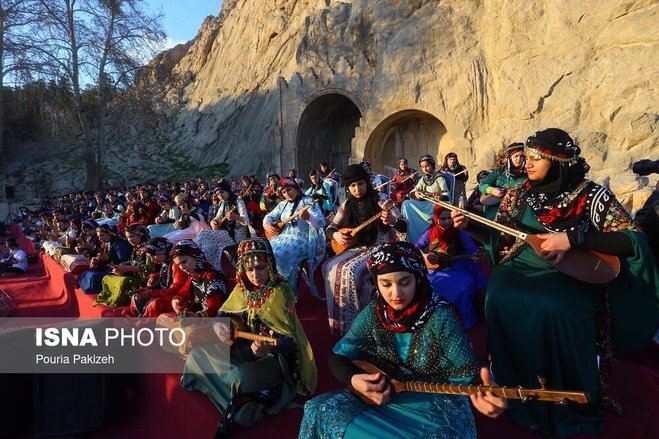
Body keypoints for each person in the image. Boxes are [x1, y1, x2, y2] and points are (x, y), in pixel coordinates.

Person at [452, 128, 659, 435]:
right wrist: (470, 225)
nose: (528, 163)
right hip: (521, 266)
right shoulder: (518, 194)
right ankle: (515, 392)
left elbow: (631, 240)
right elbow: (501, 239)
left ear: (559, 161)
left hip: (573, 271)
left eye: (538, 157)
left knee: (552, 306)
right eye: (528, 156)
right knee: (497, 296)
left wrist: (574, 239)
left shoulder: (590, 194)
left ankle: (565, 399)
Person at [300, 241, 506, 438]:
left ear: (419, 278)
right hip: (381, 395)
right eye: (385, 284)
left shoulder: (441, 316)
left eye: (404, 282)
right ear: (376, 283)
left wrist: (487, 392)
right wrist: (353, 379)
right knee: (317, 410)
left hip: (433, 403)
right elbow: (337, 356)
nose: (395, 293)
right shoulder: (375, 312)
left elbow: (470, 374)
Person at [181, 238, 317, 437]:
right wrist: (220, 325)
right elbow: (223, 313)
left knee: (240, 377)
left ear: (270, 264)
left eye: (260, 268)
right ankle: (236, 397)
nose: (255, 275)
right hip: (244, 347)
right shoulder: (242, 288)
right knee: (198, 354)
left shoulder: (280, 291)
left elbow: (289, 344)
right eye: (249, 269)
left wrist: (269, 347)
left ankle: (236, 396)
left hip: (274, 359)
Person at [323, 164, 407, 334]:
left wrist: (392, 221)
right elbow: (331, 228)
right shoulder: (346, 204)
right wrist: (336, 236)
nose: (357, 189)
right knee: (329, 266)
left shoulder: (382, 199)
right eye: (352, 186)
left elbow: (403, 225)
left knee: (351, 270)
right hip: (355, 249)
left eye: (360, 184)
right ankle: (342, 326)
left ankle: (362, 325)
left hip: (379, 248)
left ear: (367, 183)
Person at [415, 206, 486, 328]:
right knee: (425, 285)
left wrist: (475, 257)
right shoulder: (430, 232)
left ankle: (466, 319)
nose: (447, 222)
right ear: (436, 219)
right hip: (435, 270)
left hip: (458, 267)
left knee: (464, 287)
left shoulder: (460, 231)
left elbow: (472, 250)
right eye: (443, 219)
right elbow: (416, 247)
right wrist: (426, 257)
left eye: (449, 218)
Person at [264, 177, 325, 298]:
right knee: (265, 251)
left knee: (281, 254)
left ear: (296, 188)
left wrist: (308, 217)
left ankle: (288, 294)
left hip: (303, 239)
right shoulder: (283, 204)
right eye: (284, 192)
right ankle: (270, 288)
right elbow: (269, 216)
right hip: (283, 237)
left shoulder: (308, 201)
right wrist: (267, 224)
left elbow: (321, 222)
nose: (287, 193)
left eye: (289, 189)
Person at [126, 237, 190, 318]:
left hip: (179, 298)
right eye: (150, 257)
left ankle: (144, 323)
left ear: (162, 251)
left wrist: (151, 293)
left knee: (155, 304)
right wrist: (154, 276)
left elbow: (176, 290)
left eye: (153, 255)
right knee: (136, 296)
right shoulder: (166, 262)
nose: (152, 260)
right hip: (167, 292)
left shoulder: (176, 265)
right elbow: (166, 273)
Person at [94, 224, 155, 307]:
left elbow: (150, 268)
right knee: (107, 277)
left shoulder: (150, 248)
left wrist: (127, 268)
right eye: (128, 237)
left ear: (141, 234)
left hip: (146, 280)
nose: (129, 240)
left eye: (132, 236)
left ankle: (119, 301)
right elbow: (133, 261)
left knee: (124, 282)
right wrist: (120, 267)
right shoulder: (137, 247)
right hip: (134, 275)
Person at [197, 179, 249, 270]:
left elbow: (246, 221)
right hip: (227, 233)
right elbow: (218, 217)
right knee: (204, 237)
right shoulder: (223, 204)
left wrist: (236, 217)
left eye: (222, 192)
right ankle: (207, 264)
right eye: (217, 194)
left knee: (204, 235)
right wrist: (213, 221)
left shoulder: (238, 202)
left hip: (237, 237)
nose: (220, 196)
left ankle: (206, 266)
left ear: (228, 191)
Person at [400, 154, 453, 243]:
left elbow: (447, 195)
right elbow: (412, 192)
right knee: (406, 204)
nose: (425, 169)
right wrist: (416, 194)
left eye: (427, 166)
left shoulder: (439, 177)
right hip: (425, 204)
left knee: (434, 206)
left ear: (432, 165)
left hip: (435, 204)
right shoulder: (423, 179)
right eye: (423, 167)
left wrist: (440, 196)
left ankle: (431, 237)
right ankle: (413, 237)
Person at [478, 143, 527, 220]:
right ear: (510, 158)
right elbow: (482, 185)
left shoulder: (528, 173)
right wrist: (492, 190)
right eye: (516, 156)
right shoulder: (500, 172)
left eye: (521, 156)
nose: (519, 159)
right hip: (495, 210)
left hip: (519, 212)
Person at [79, 224, 132, 294]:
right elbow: (103, 259)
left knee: (94, 277)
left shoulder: (120, 245)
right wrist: (96, 261)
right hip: (109, 269)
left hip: (119, 272)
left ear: (110, 233)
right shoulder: (106, 243)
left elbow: (124, 262)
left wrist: (107, 259)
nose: (100, 238)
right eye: (98, 236)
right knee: (85, 273)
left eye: (102, 235)